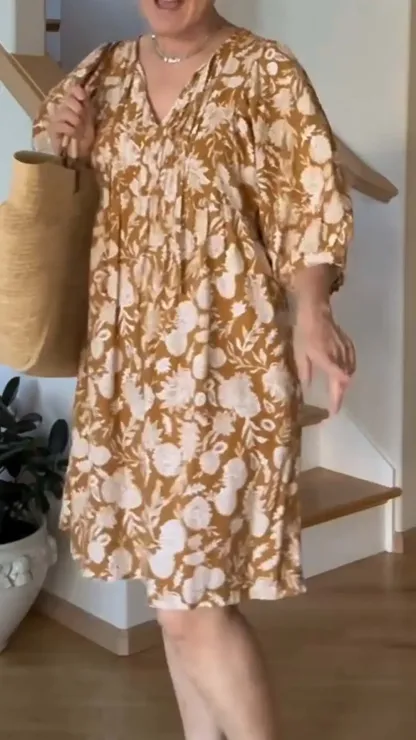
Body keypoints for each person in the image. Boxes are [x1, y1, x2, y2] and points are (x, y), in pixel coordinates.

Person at [33, 1, 356, 738]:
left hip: (224, 364)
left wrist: (313, 311)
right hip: (127, 365)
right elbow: (59, 190)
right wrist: (66, 145)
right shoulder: (103, 71)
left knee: (190, 605)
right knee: (176, 597)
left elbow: (309, 203)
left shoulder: (265, 71)